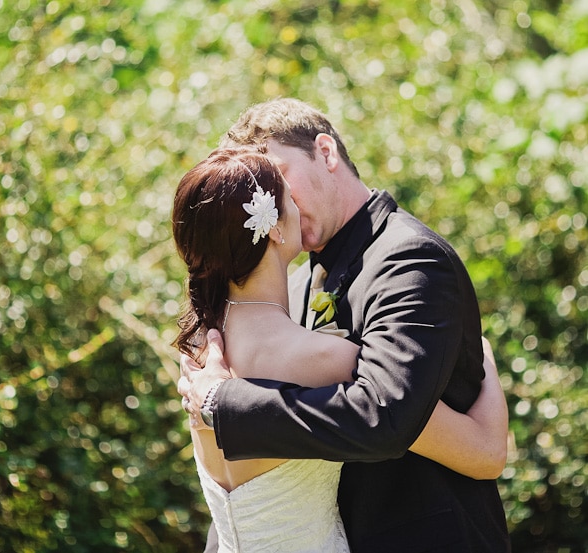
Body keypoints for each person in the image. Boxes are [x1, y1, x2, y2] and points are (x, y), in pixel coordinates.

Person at [177, 99, 511, 552]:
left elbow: (385, 413)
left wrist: (226, 403)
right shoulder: (289, 289)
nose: (279, 203)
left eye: (279, 177)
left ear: (326, 152)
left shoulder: (408, 258)